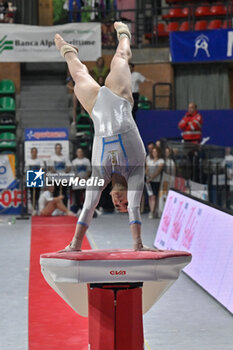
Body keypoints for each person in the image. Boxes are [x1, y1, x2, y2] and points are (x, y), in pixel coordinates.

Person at [54, 21, 159, 252]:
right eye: (123, 202)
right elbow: (134, 208)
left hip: (96, 109)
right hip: (119, 97)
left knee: (78, 73)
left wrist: (75, 245)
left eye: (116, 203)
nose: (120, 202)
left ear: (110, 195)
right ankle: (124, 33)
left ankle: (66, 48)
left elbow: (88, 207)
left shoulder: (100, 175)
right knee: (121, 56)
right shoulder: (135, 170)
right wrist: (138, 245)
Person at [146, 146, 164, 219]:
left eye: (156, 152)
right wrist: (149, 177)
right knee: (150, 196)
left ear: (158, 152)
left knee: (154, 196)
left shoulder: (161, 161)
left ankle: (152, 211)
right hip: (148, 181)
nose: (154, 153)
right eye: (153, 152)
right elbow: (146, 170)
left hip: (156, 181)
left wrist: (152, 178)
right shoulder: (149, 160)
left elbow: (158, 171)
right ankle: (152, 210)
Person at [72, 148, 91, 213]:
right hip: (77, 180)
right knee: (77, 195)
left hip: (85, 180)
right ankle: (78, 208)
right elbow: (73, 171)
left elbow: (89, 170)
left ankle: (86, 208)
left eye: (81, 152)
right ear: (76, 153)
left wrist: (85, 177)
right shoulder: (74, 161)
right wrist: (78, 178)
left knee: (86, 195)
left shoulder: (87, 160)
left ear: (82, 152)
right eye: (78, 152)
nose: (79, 153)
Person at [25, 147, 44, 215]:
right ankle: (33, 209)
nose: (34, 153)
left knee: (37, 195)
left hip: (38, 178)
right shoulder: (28, 161)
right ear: (31, 153)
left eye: (35, 151)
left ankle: (37, 208)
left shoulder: (40, 160)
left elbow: (42, 168)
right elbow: (26, 170)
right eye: (33, 152)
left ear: (36, 153)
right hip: (31, 178)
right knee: (32, 194)